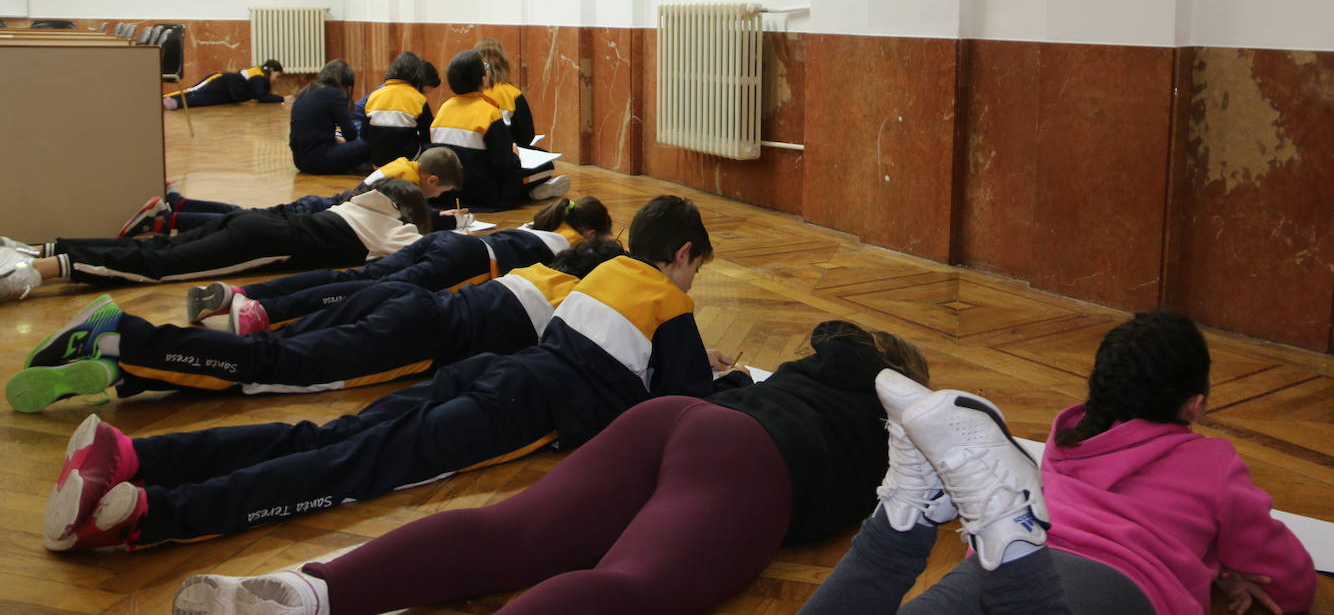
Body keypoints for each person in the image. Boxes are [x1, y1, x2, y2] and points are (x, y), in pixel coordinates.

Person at [34, 194, 733, 554]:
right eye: (695, 266)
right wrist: (724, 379)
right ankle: (153, 517)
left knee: (329, 430)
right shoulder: (671, 304)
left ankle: (135, 455)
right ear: (680, 255)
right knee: (357, 461)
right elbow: (684, 412)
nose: (691, 281)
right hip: (516, 404)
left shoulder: (601, 270)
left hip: (490, 367)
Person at [167, 319, 930, 615]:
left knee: (508, 531)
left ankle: (312, 592)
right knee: (636, 585)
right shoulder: (890, 425)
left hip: (676, 422)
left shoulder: (796, 375)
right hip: (755, 466)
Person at [794, 311, 1316, 615]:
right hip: (1120, 587)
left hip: (984, 577)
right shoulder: (1212, 461)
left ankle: (908, 518)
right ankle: (993, 541)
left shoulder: (1070, 436)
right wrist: (1233, 566)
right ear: (1195, 404)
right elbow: (1287, 578)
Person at [7, 238, 627, 411]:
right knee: (276, 370)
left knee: (272, 350)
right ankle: (124, 336)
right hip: (413, 339)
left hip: (403, 304)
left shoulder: (541, 273)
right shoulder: (579, 307)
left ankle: (119, 371)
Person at [184, 195, 612, 332]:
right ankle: (267, 313)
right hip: (468, 262)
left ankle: (242, 294)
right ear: (592, 235)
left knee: (358, 276)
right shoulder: (572, 251)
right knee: (368, 292)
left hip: (451, 244)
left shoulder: (542, 223)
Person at [0, 178, 430, 306]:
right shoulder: (397, 230)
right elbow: (422, 252)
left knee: (160, 247)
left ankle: (39, 251)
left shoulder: (363, 205)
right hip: (264, 241)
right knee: (161, 265)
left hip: (255, 219)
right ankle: (39, 272)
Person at [120, 147, 463, 237]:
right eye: (441, 192)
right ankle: (169, 218)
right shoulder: (405, 184)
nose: (436, 199)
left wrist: (435, 215)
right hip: (324, 214)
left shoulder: (404, 165)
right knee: (243, 219)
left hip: (325, 204)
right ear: (430, 181)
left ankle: (180, 205)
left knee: (245, 215)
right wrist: (441, 221)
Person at [432, 50, 568, 210]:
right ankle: (529, 192)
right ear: (483, 79)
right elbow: (503, 166)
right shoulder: (489, 112)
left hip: (451, 192)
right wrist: (514, 155)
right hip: (486, 194)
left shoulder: (443, 109)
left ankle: (533, 191)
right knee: (546, 166)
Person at [290, 59, 370, 175]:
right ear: (344, 82)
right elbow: (350, 134)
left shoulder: (305, 91)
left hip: (300, 161)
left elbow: (310, 132)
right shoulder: (333, 93)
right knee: (371, 143)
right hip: (319, 160)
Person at [361, 51, 435, 167]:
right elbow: (428, 136)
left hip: (378, 161)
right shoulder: (418, 99)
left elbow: (364, 134)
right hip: (407, 161)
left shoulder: (374, 95)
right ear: (418, 75)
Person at [476, 37, 537, 147]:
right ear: (503, 63)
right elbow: (527, 136)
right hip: (507, 154)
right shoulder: (513, 95)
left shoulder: (468, 94)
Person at [352, 58, 439, 134]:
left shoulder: (406, 94)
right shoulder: (389, 92)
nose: (424, 96)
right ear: (416, 82)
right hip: (358, 122)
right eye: (423, 92)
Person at [162, 60, 286, 110]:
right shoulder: (259, 77)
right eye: (277, 76)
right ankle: (161, 98)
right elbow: (262, 97)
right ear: (271, 70)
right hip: (220, 81)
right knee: (194, 90)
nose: (276, 80)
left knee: (202, 100)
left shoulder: (259, 76)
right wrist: (283, 99)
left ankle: (176, 103)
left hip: (227, 93)